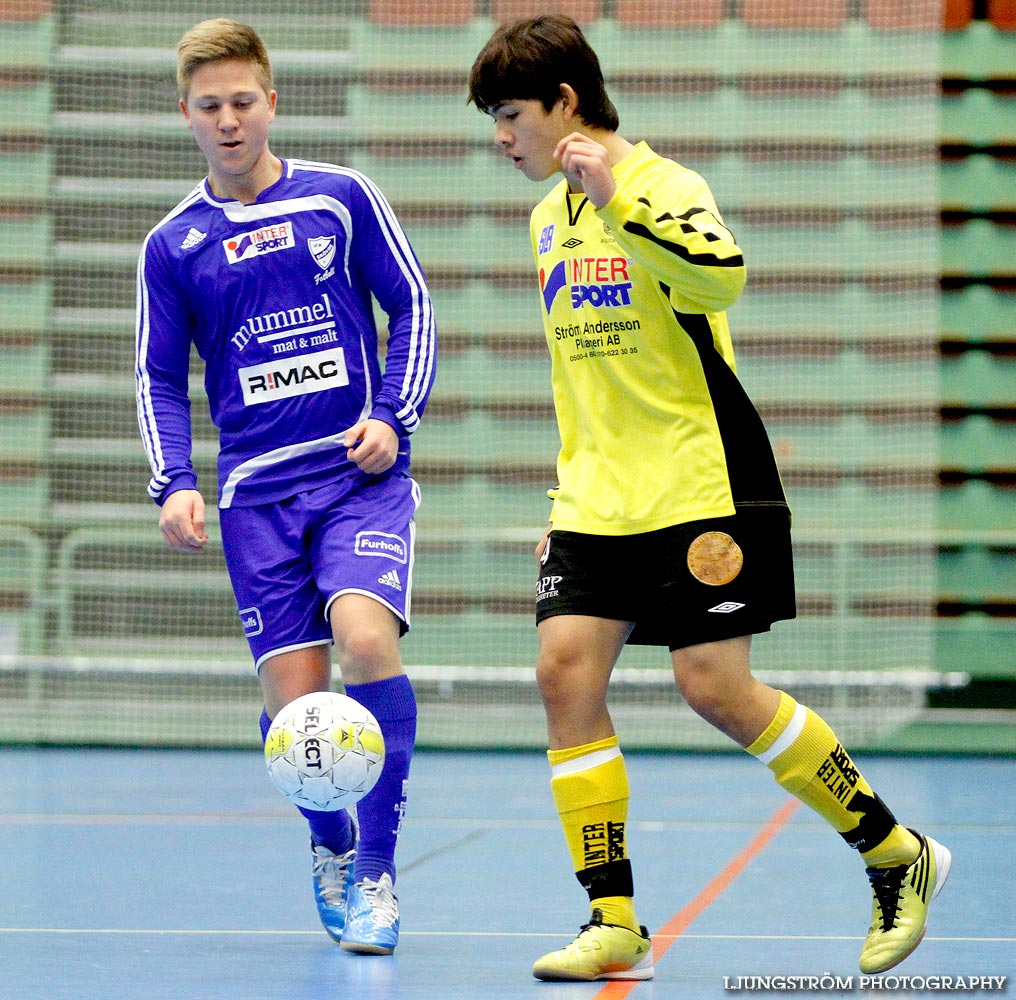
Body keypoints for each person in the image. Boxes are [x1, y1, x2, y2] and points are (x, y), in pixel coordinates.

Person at [468, 14, 949, 983]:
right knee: (564, 673)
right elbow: (579, 373)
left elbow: (719, 279)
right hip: (599, 496)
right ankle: (611, 918)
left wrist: (620, 204)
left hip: (699, 479)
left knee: (712, 688)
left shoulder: (665, 184)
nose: (500, 136)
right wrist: (566, 496)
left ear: (566, 104)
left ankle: (893, 852)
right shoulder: (541, 219)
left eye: (510, 114)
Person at [135, 18, 436, 956]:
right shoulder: (173, 244)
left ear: (272, 101)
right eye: (209, 106)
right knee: (297, 711)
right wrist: (172, 483)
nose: (229, 121)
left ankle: (381, 872)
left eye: (243, 101)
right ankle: (331, 845)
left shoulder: (341, 200)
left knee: (363, 640)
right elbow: (156, 374)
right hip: (255, 502)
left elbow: (411, 303)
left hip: (355, 479)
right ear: (186, 115)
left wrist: (394, 415)